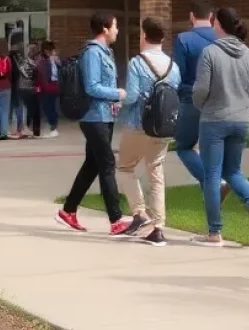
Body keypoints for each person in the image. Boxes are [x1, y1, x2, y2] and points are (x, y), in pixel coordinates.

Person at [192, 8, 249, 247]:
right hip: (242, 120)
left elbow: (201, 89)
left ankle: (214, 232)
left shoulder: (210, 52)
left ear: (217, 25)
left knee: (212, 174)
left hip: (214, 119)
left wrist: (199, 104)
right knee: (233, 171)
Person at [56, 13, 132, 236]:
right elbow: (92, 87)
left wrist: (114, 101)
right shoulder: (92, 53)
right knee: (107, 163)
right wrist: (117, 93)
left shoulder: (106, 52)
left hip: (105, 116)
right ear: (105, 29)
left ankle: (68, 211)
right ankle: (116, 220)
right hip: (93, 117)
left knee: (92, 164)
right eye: (115, 26)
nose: (117, 30)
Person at [116, 17, 181, 247]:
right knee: (156, 171)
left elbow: (132, 96)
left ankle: (139, 212)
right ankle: (159, 227)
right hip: (163, 127)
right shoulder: (173, 66)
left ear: (144, 35)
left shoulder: (137, 62)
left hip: (138, 124)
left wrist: (119, 98)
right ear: (163, 38)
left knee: (125, 168)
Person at [172, 1, 225, 201]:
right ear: (211, 16)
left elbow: (178, 73)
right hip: (220, 101)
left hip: (191, 100)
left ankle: (214, 182)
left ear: (191, 16)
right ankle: (213, 210)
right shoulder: (222, 39)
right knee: (211, 153)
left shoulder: (184, 39)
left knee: (184, 146)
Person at [14, 43, 42, 138]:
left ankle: (34, 130)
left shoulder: (30, 62)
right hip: (27, 88)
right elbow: (29, 75)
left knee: (33, 109)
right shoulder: (27, 63)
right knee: (31, 110)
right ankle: (29, 129)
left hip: (29, 88)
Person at [36, 41, 61, 137]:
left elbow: (43, 74)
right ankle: (53, 126)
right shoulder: (52, 60)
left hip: (48, 87)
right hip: (52, 87)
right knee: (51, 107)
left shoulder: (47, 60)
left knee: (50, 107)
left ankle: (53, 127)